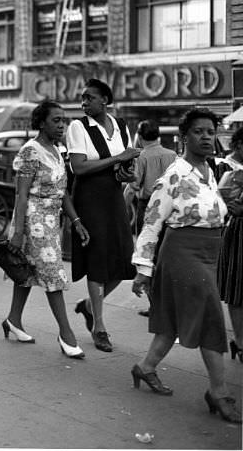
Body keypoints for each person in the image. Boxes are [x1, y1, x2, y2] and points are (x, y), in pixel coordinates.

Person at [131, 108, 240, 423]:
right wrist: (143, 267)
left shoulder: (210, 171)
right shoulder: (175, 174)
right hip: (183, 254)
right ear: (183, 137)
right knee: (210, 320)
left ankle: (145, 367)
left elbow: (208, 210)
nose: (206, 137)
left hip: (210, 253)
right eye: (199, 131)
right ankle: (218, 392)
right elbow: (151, 221)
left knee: (172, 321)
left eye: (210, 131)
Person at [3, 101, 90, 358]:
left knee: (26, 273)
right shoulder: (31, 150)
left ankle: (13, 320)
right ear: (41, 123)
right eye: (56, 120)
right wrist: (18, 232)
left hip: (52, 221)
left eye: (64, 120)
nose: (62, 125)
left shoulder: (56, 150)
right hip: (33, 221)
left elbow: (62, 193)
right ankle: (66, 333)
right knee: (53, 276)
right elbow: (20, 195)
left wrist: (76, 221)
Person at [66, 78, 141, 352]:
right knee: (97, 261)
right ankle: (99, 325)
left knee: (125, 261)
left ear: (104, 101)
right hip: (89, 198)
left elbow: (126, 165)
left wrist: (127, 171)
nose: (84, 103)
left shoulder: (120, 126)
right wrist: (118, 159)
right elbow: (79, 168)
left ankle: (87, 306)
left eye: (89, 98)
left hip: (114, 197)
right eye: (82, 98)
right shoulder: (78, 127)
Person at [216, 126, 243, 363]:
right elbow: (219, 201)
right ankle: (240, 343)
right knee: (237, 289)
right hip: (237, 232)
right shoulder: (225, 168)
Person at [130, 120, 177, 236]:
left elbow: (133, 187)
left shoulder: (140, 157)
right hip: (169, 207)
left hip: (147, 207)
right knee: (164, 246)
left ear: (139, 137)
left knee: (145, 246)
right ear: (158, 136)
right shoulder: (173, 155)